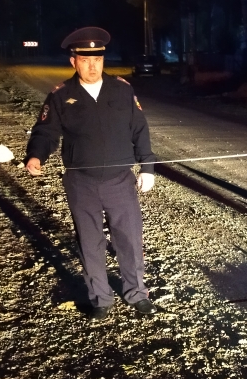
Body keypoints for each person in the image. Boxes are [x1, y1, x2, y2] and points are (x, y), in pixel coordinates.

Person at [24, 27, 157, 318]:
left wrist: (147, 167)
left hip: (120, 179)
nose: (93, 65)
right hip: (81, 181)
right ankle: (100, 297)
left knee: (130, 239)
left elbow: (140, 130)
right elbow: (46, 132)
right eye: (85, 59)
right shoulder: (61, 95)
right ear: (74, 61)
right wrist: (36, 156)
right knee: (89, 242)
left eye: (98, 58)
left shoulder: (122, 90)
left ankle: (136, 292)